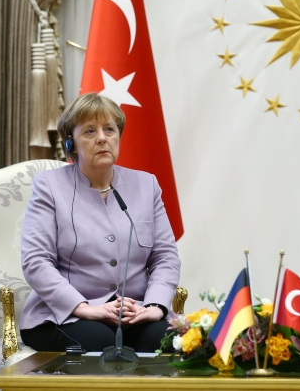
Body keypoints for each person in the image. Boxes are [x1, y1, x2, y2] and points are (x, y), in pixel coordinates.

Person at [20, 93, 181, 353]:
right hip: (65, 314)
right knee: (100, 343)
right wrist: (85, 308)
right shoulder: (49, 186)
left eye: (109, 129)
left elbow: (165, 257)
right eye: (90, 131)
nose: (102, 138)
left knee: (173, 340)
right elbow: (36, 261)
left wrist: (154, 306)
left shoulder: (146, 184)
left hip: (134, 312)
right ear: (71, 143)